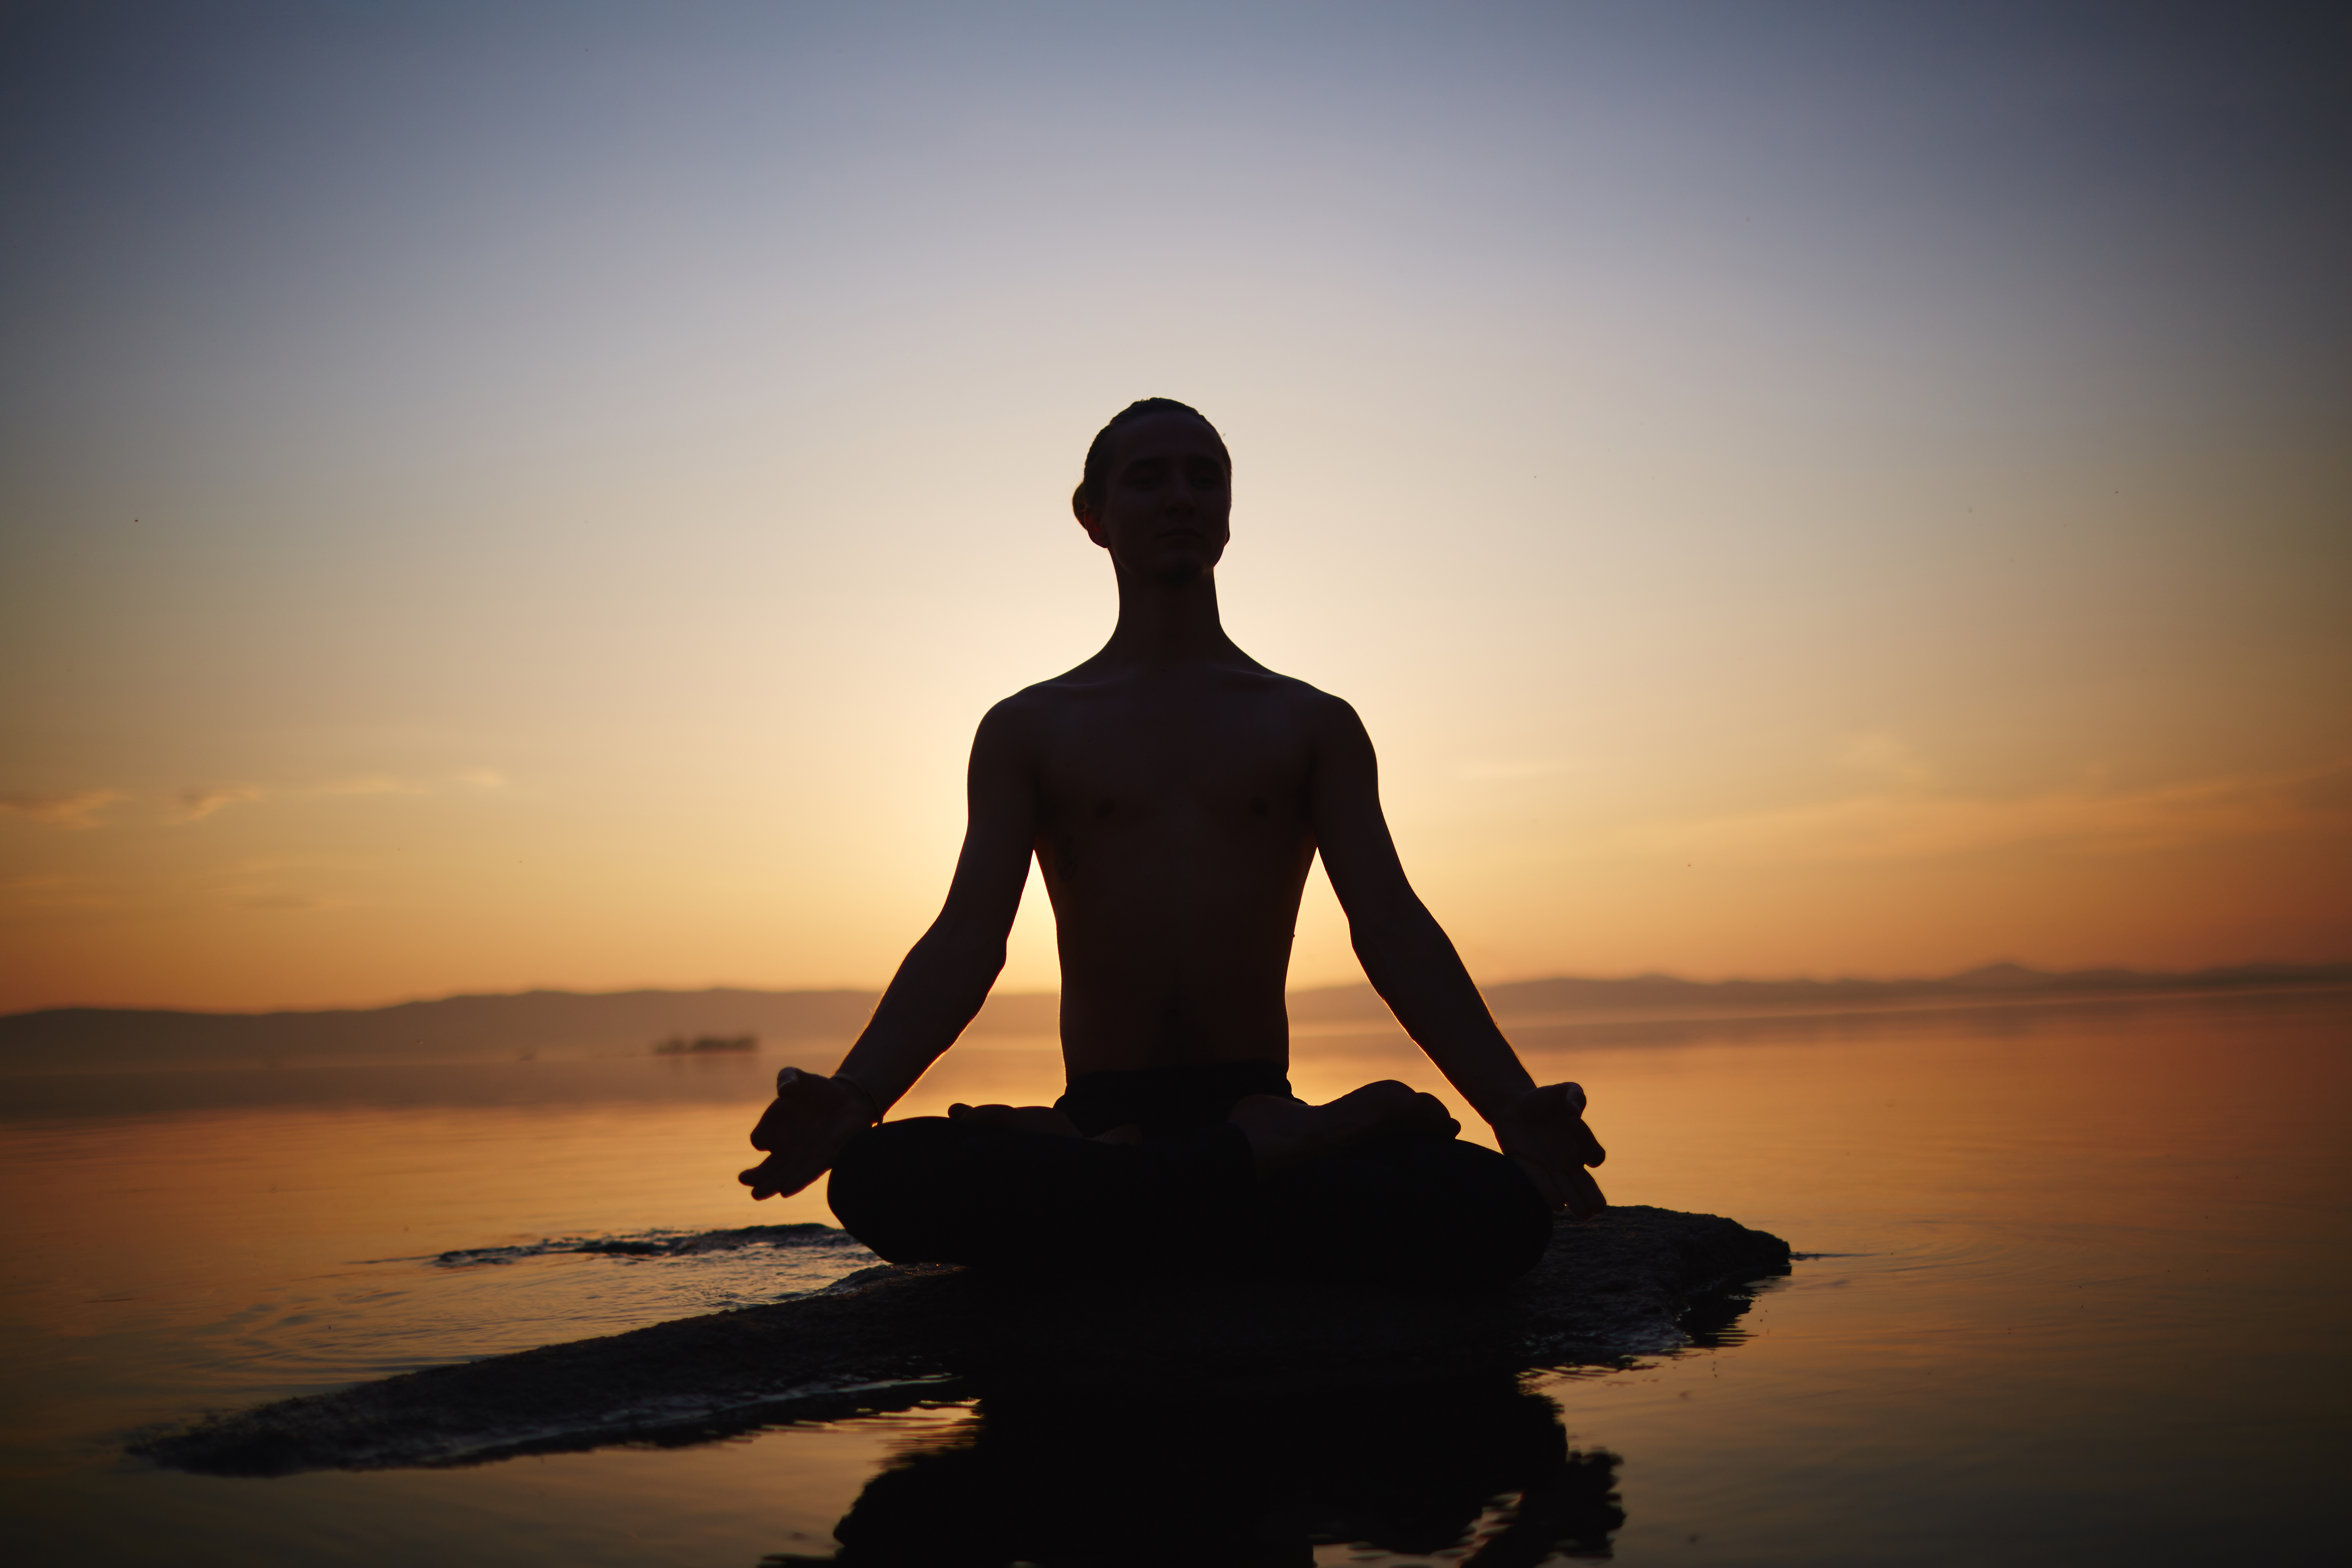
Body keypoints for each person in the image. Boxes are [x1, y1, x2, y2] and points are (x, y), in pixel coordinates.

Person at [740, 398, 1606, 1285]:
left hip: (1231, 1097)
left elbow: (1392, 926)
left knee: (1497, 1211)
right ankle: (1270, 1157)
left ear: (1229, 517)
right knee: (879, 1178)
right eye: (1148, 478)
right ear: (1095, 517)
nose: (1182, 496)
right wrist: (856, 1096)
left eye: (1206, 477)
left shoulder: (1311, 724)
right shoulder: (1028, 728)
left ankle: (1139, 1183)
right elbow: (966, 941)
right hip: (1120, 1110)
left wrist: (1508, 1102)